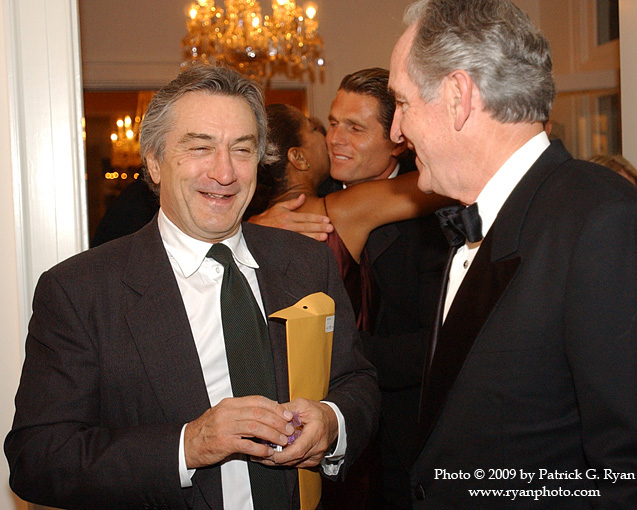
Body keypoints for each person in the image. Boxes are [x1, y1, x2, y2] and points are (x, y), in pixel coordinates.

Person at [5, 65, 380, 510]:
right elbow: (38, 459)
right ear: (154, 161)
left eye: (242, 150)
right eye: (201, 148)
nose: (225, 173)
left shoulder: (306, 261)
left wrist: (332, 422)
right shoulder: (81, 291)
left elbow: (356, 381)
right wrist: (188, 445)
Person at [389, 0, 637, 507]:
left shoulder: (602, 220)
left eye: (402, 102)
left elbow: (632, 474)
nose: (397, 131)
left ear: (458, 96)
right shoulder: (477, 216)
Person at [251, 68, 450, 510]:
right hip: (306, 434)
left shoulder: (437, 216)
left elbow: (442, 344)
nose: (335, 139)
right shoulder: (295, 202)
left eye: (355, 128)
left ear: (397, 139)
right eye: (332, 123)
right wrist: (253, 225)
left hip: (406, 439)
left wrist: (335, 352)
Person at [252, 103, 450, 333]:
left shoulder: (252, 227)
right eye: (313, 129)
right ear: (298, 157)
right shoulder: (339, 212)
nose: (328, 137)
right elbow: (444, 182)